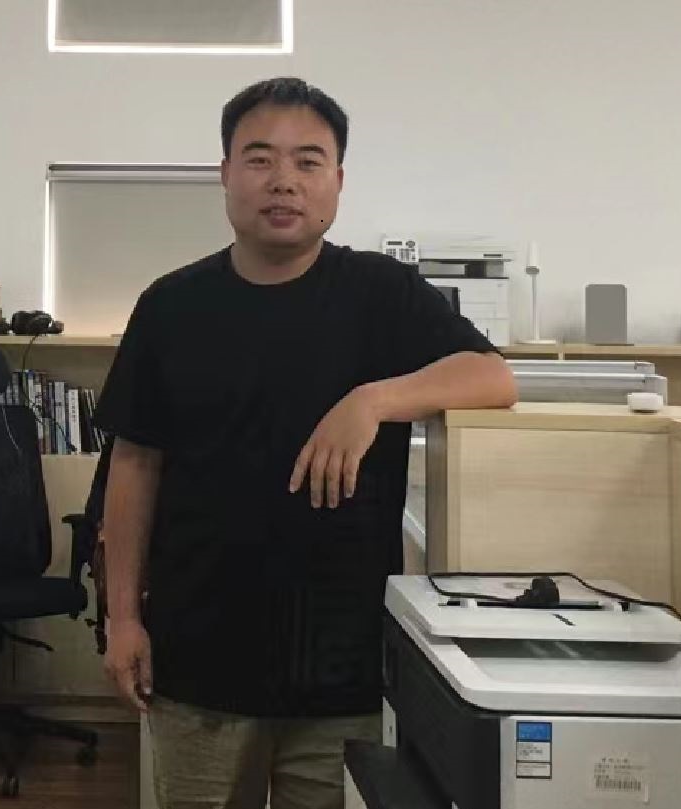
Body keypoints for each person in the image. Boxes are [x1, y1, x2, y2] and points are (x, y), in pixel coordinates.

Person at [93, 76, 518, 809]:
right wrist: (123, 617)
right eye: (259, 159)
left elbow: (494, 376)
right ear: (226, 174)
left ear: (338, 181)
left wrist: (374, 399)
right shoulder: (170, 306)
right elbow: (134, 465)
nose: (283, 180)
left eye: (308, 161)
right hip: (198, 659)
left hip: (343, 669)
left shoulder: (382, 294)